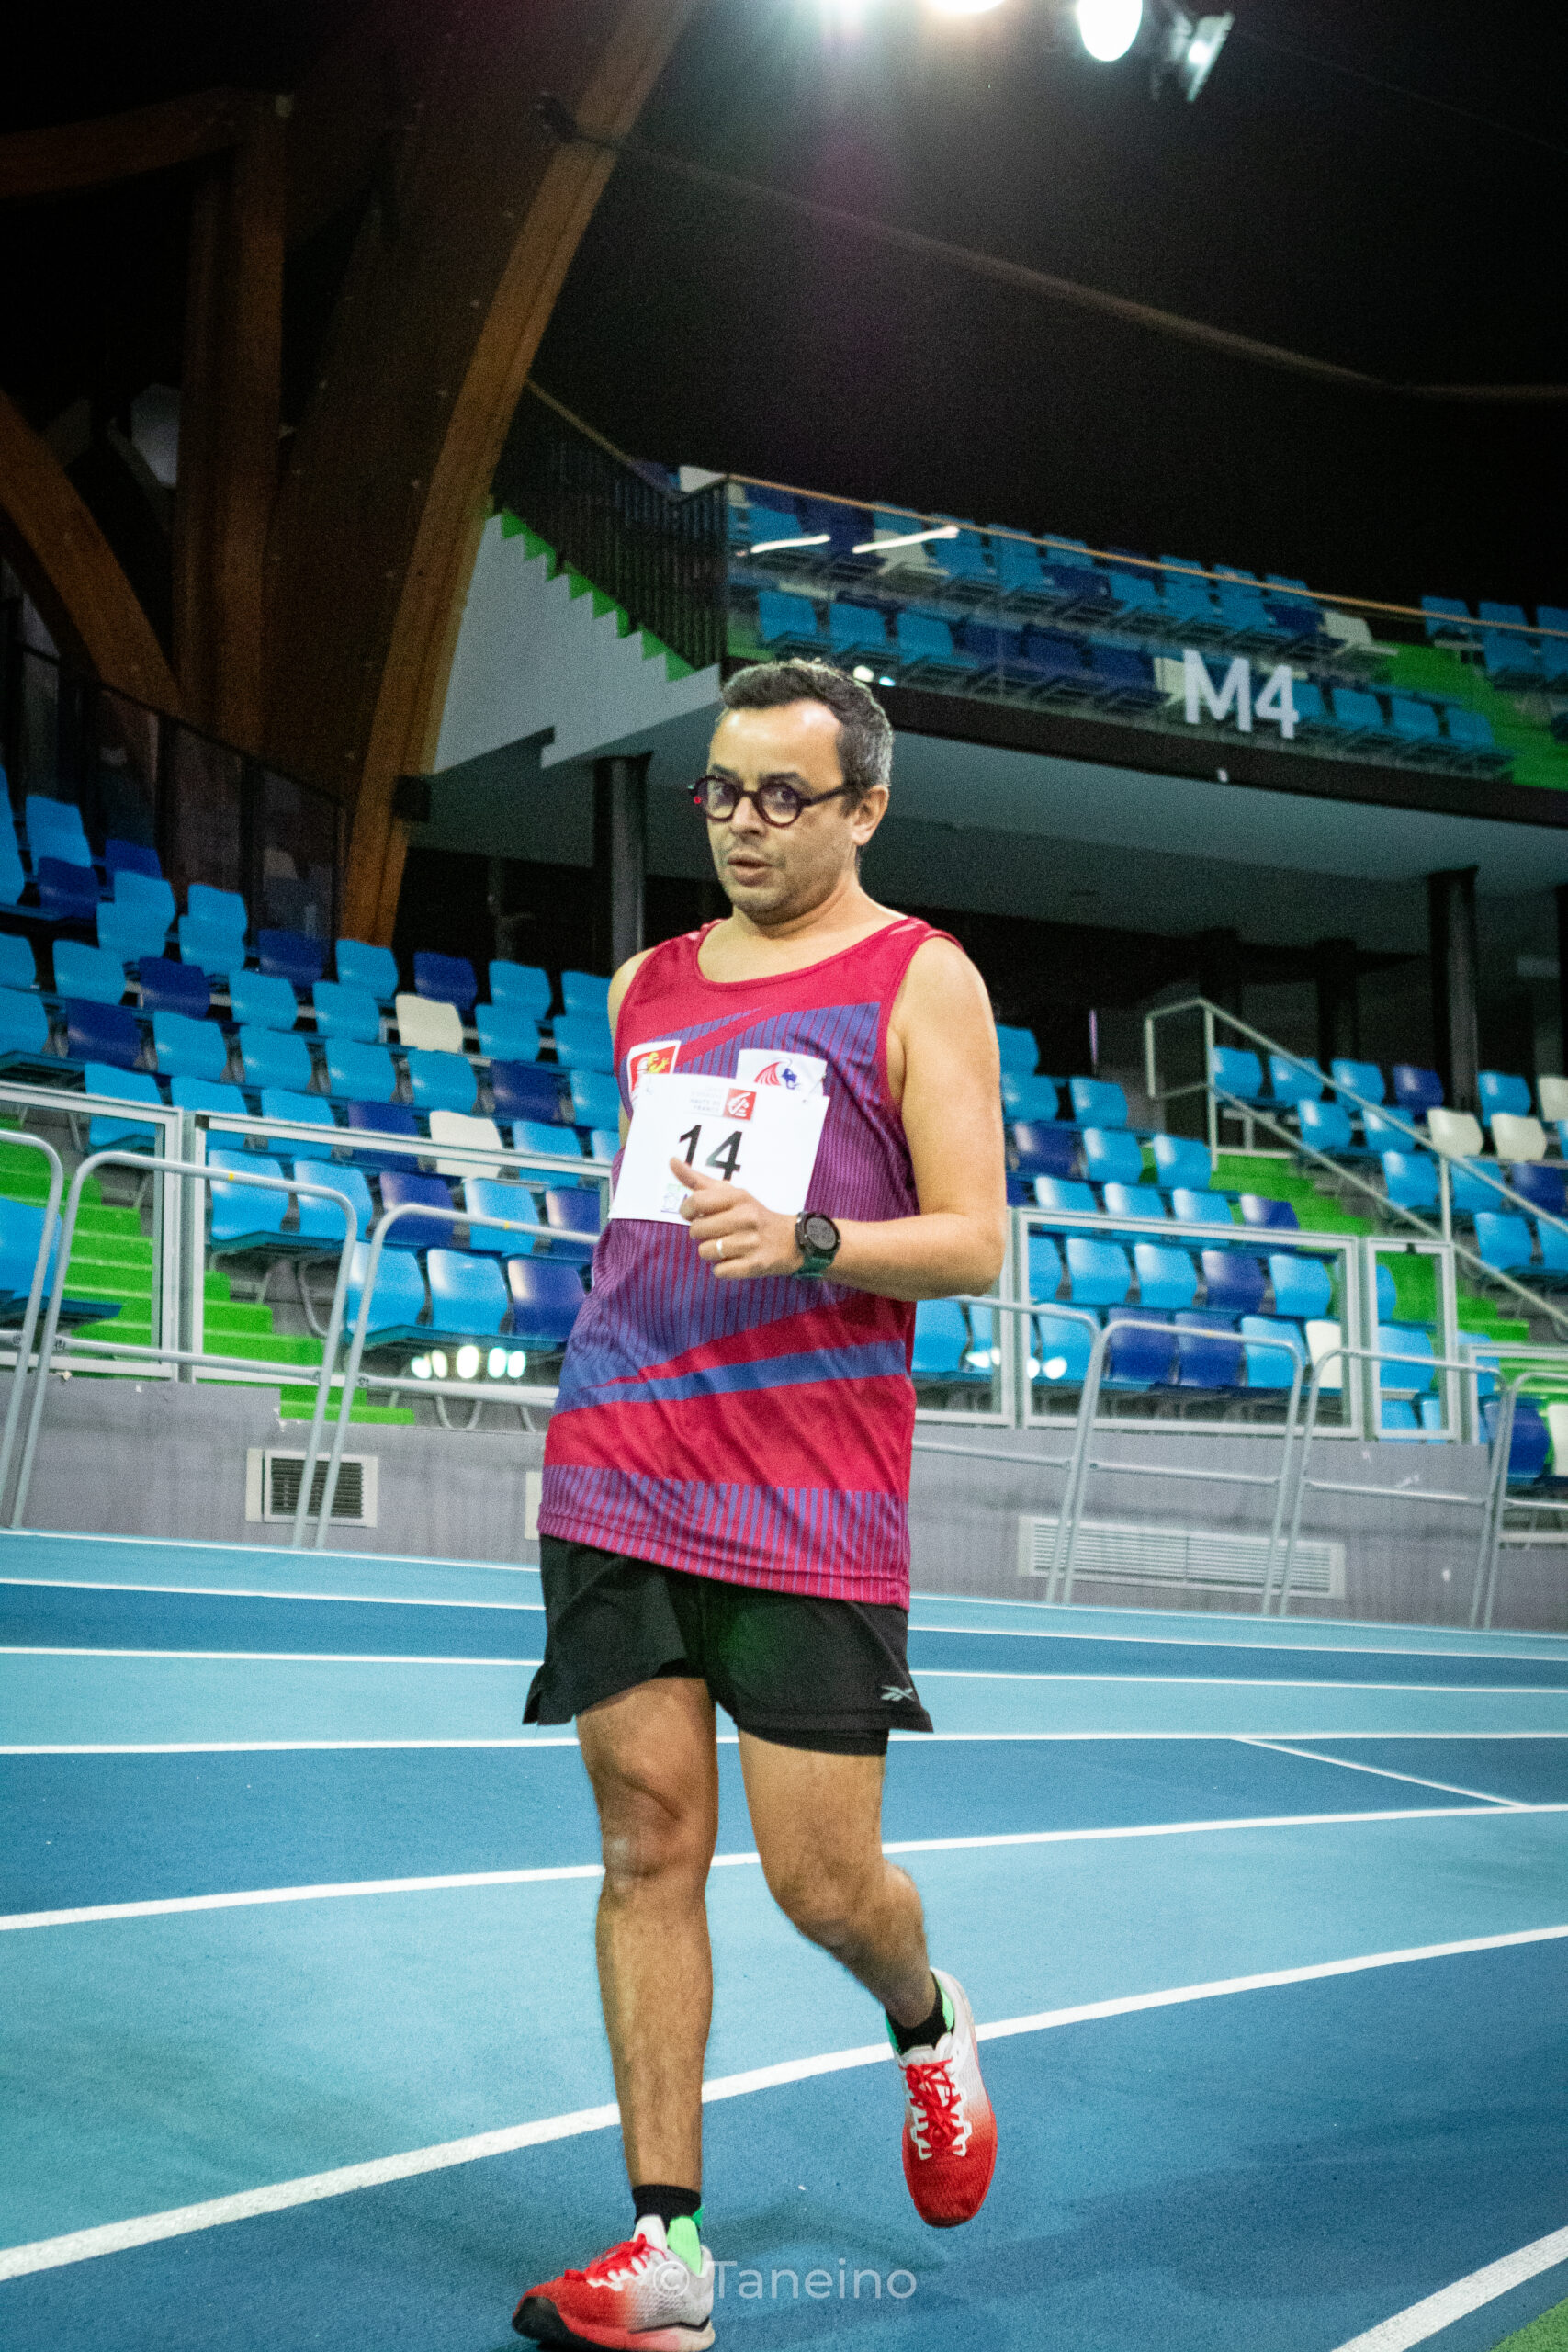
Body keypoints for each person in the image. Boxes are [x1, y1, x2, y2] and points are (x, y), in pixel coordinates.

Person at [513, 660, 1008, 2350]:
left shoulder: (919, 977)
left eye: (784, 796)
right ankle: (667, 2254)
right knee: (646, 1844)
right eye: (721, 791)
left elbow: (975, 1241)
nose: (743, 823)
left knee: (822, 1883)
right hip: (619, 1462)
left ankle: (926, 2019)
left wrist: (812, 1242)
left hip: (809, 1494)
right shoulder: (645, 985)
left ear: (866, 807)